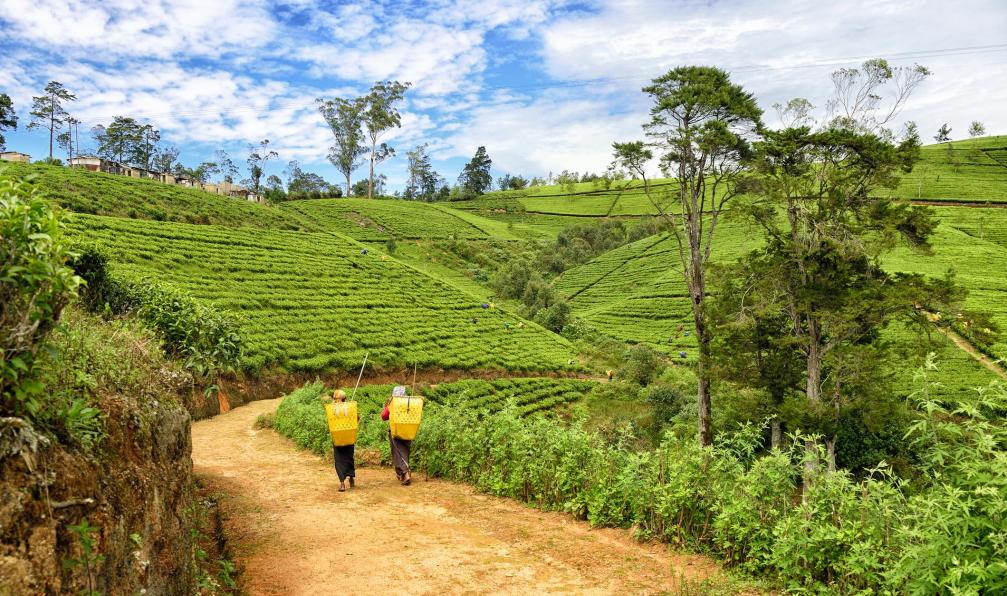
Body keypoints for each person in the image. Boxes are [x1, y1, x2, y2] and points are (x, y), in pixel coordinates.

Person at [381, 387, 412, 486]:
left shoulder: (392, 404)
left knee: (398, 453)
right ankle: (403, 473)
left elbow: (384, 416)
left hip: (396, 431)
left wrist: (386, 406)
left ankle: (405, 473)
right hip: (408, 431)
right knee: (405, 452)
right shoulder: (410, 403)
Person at [327, 389, 357, 492]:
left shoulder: (332, 409)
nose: (334, 400)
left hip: (339, 437)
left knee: (340, 460)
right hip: (348, 437)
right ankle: (348, 479)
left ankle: (343, 483)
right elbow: (357, 418)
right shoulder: (350, 407)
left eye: (335, 398)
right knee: (348, 458)